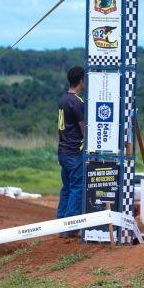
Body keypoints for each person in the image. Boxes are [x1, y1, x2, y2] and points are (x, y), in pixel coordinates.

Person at [56, 66, 86, 237]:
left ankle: (61, 224)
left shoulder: (63, 99)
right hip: (75, 151)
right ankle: (70, 227)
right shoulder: (77, 102)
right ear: (81, 80)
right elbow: (84, 129)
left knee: (66, 188)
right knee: (76, 188)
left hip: (63, 151)